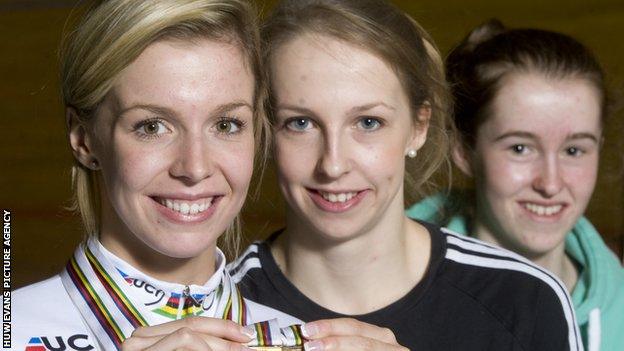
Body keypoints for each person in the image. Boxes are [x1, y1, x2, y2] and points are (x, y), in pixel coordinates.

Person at [229, 1, 582, 350]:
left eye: (369, 122)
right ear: (266, 131)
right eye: (300, 123)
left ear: (419, 125)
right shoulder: (222, 309)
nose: (333, 165)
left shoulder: (525, 299)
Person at [12, 1, 303, 350]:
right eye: (152, 126)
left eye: (226, 124)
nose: (195, 168)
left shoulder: (302, 337)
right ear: (84, 139)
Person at [406, 19, 624, 351]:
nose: (550, 183)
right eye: (520, 148)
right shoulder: (392, 291)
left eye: (574, 150)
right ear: (464, 151)